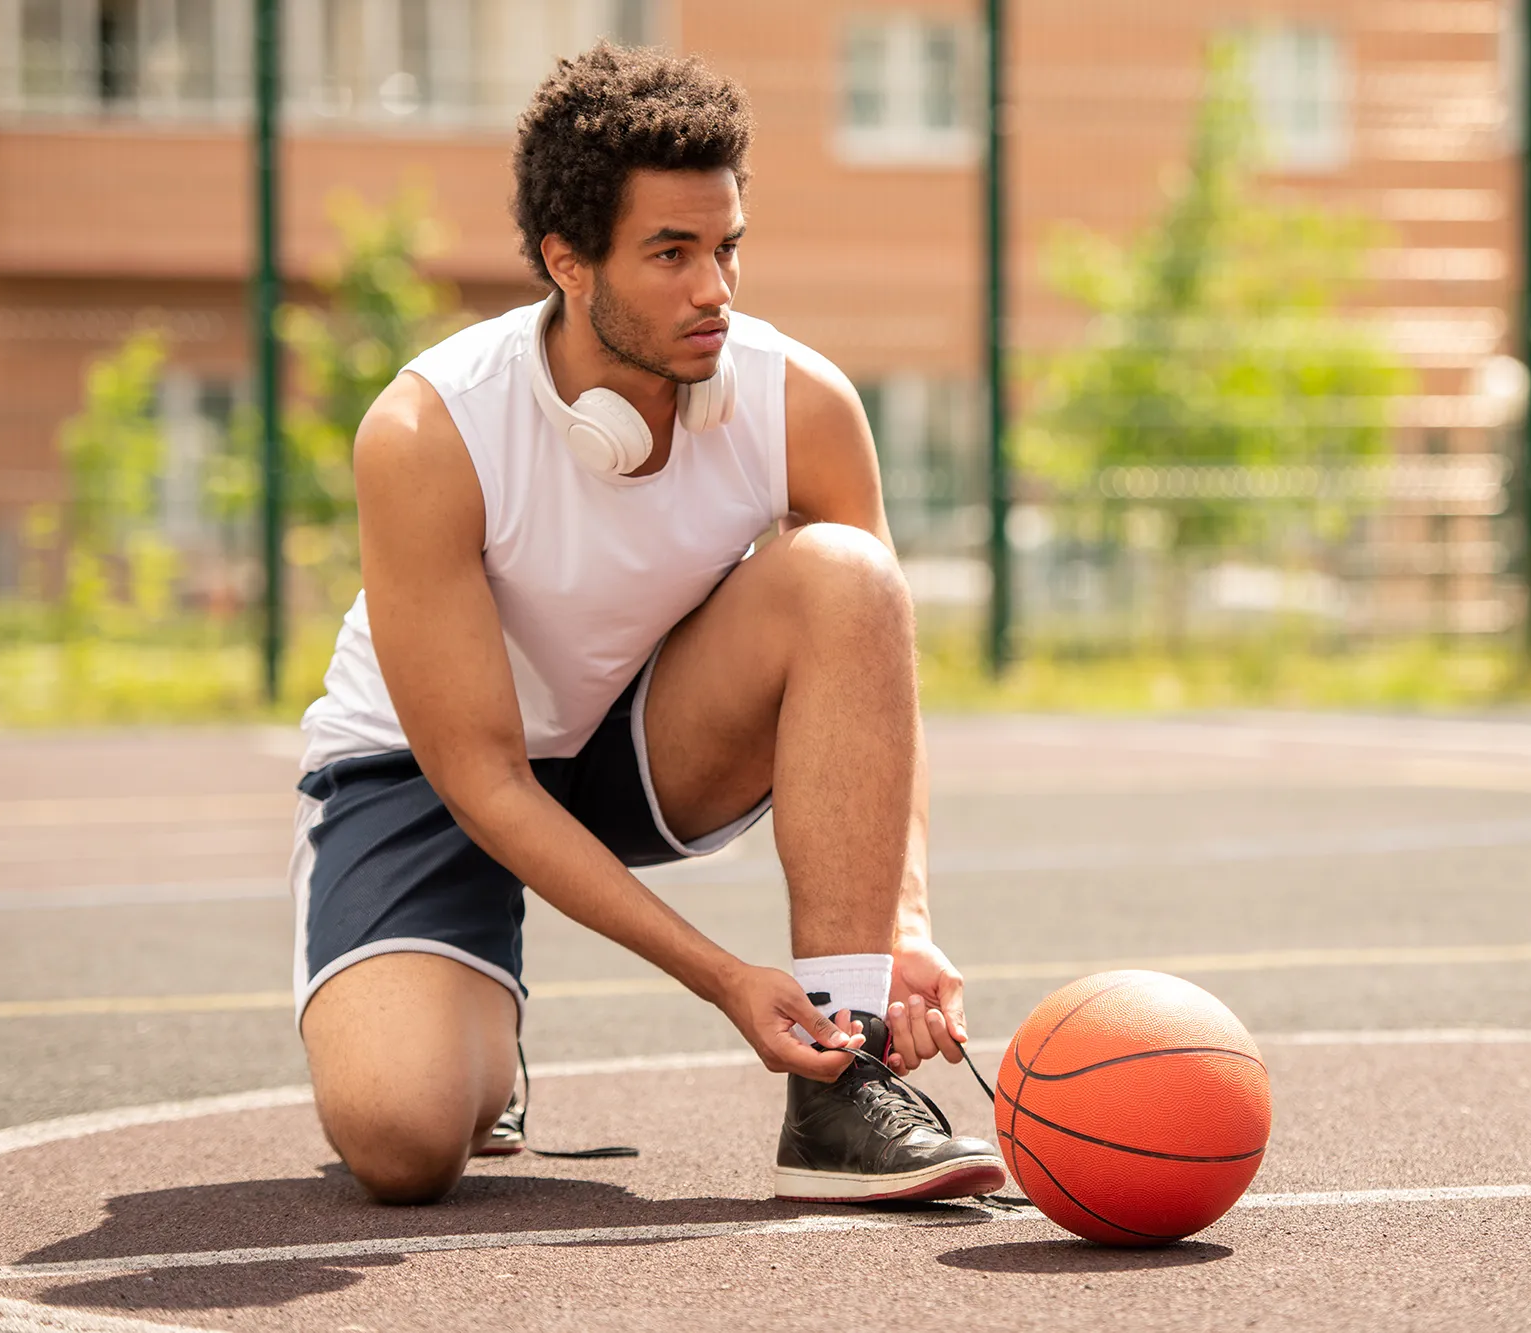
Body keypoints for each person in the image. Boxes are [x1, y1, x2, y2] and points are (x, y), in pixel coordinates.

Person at [287, 42, 1004, 1207]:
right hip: (433, 771)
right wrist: (724, 978)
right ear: (568, 262)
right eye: (669, 254)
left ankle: (837, 1090)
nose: (713, 287)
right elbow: (482, 776)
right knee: (405, 1140)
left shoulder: (799, 402)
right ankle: (473, 1039)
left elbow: (875, 672)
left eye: (724, 247)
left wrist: (900, 927)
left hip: (638, 740)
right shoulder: (429, 432)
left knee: (849, 575)